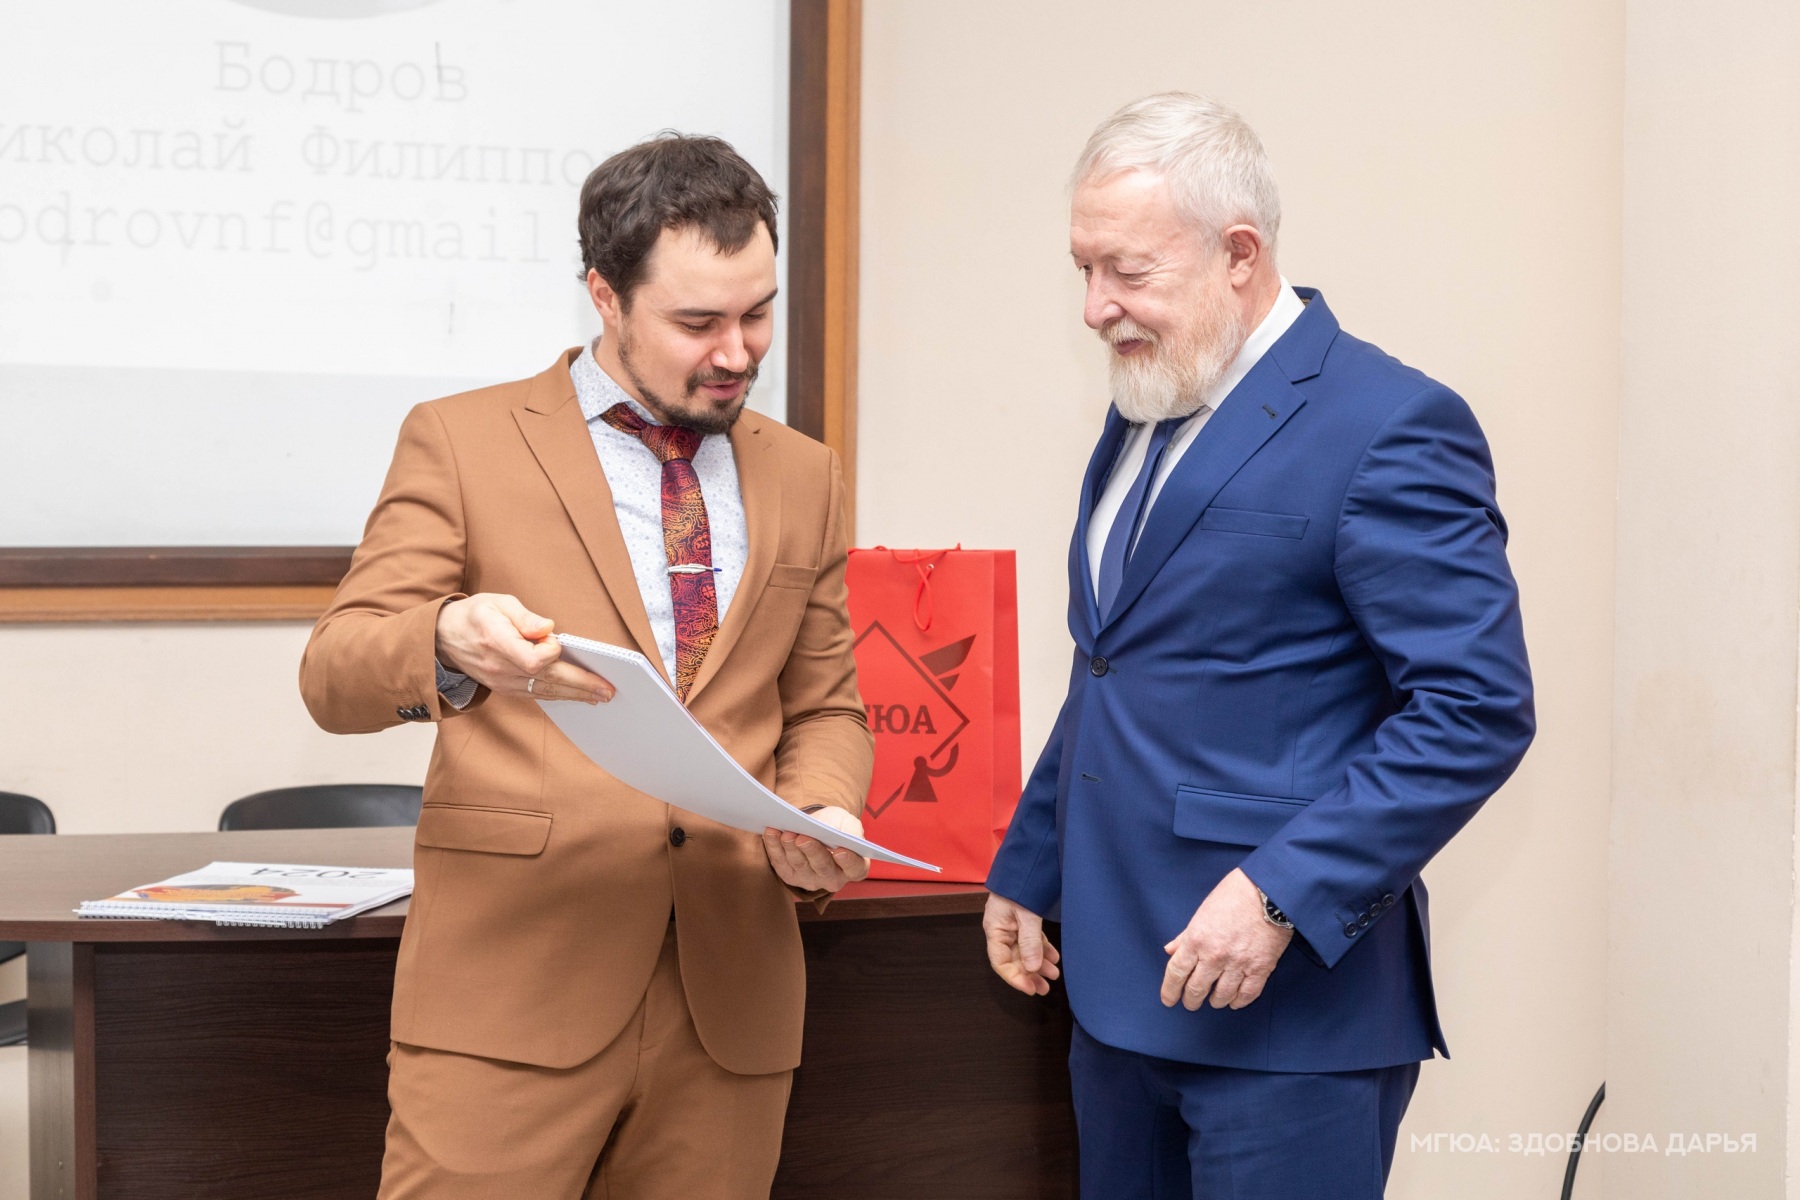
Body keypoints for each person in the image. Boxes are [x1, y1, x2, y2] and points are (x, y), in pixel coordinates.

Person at [300, 132, 874, 1199]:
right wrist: (445, 636)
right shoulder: (461, 440)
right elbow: (334, 672)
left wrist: (821, 810)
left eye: (757, 314)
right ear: (605, 296)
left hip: (730, 1004)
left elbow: (825, 708)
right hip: (512, 990)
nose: (737, 352)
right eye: (697, 323)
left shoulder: (808, 475)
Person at [982, 93, 1535, 1198]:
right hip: (1116, 998)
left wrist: (1278, 892)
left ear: (1239, 254)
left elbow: (1475, 710)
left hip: (1289, 1020)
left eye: (1127, 271)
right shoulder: (1150, 396)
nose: (1095, 307)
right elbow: (1115, 666)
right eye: (1083, 269)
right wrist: (1031, 864)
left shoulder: (1392, 424)